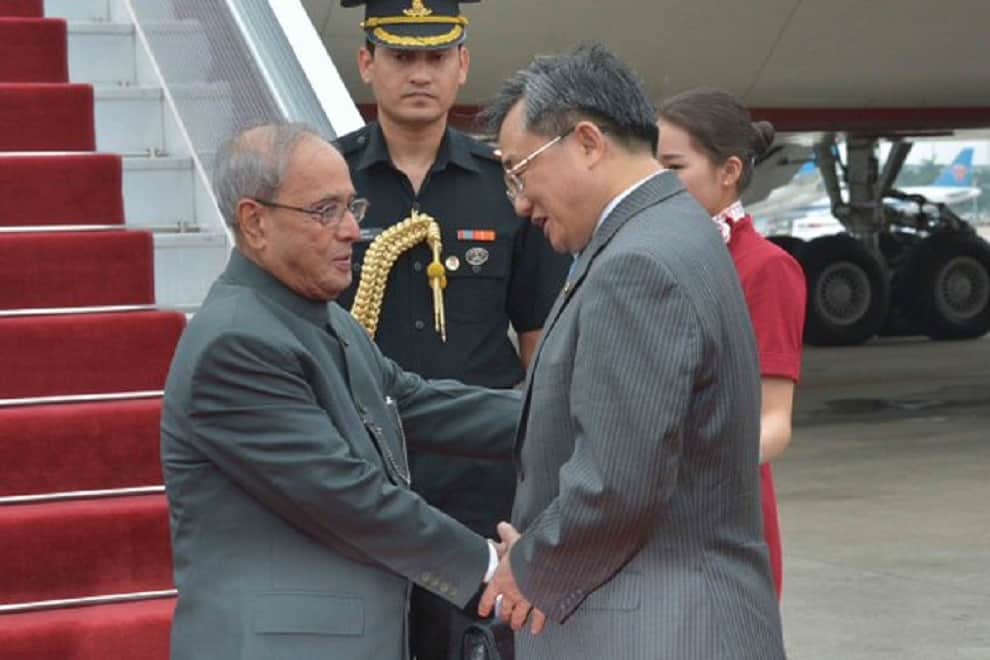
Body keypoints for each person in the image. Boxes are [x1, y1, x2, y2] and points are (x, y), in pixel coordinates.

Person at [161, 122, 521, 660]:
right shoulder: (236, 343)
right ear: (254, 222)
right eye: (325, 212)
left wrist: (564, 411)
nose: (353, 230)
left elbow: (416, 403)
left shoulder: (320, 316)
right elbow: (350, 498)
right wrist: (494, 568)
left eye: (353, 208)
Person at [476, 45, 786, 659]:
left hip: (653, 630)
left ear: (587, 142)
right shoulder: (671, 227)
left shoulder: (637, 262)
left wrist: (529, 566)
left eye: (520, 170)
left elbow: (618, 480)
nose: (518, 202)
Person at [334, 1, 570, 656]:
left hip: (480, 478)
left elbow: (540, 342)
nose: (420, 74)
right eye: (401, 57)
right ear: (366, 63)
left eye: (436, 57)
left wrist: (543, 469)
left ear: (462, 65)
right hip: (364, 475)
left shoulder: (507, 186)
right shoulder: (328, 182)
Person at [657, 88, 808, 598]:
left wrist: (686, 466)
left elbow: (774, 423)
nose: (658, 181)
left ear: (728, 172)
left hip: (720, 515)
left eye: (674, 166)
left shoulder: (765, 269)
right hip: (650, 513)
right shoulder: (655, 260)